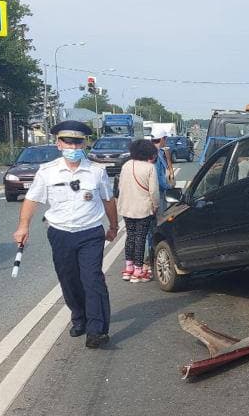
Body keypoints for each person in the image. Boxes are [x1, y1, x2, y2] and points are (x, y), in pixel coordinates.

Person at [13, 121, 118, 348]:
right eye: (68, 141)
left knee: (92, 280)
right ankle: (79, 317)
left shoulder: (97, 172)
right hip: (60, 234)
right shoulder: (47, 171)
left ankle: (96, 330)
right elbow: (32, 200)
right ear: (58, 143)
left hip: (90, 233)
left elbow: (109, 200)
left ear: (85, 143)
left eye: (77, 141)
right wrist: (23, 226)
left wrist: (113, 226)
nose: (73, 146)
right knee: (69, 280)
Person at [117, 139, 160, 282]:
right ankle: (138, 270)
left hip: (126, 207)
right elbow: (153, 191)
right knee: (140, 238)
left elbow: (120, 187)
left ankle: (128, 268)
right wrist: (156, 205)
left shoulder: (126, 165)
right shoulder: (150, 168)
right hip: (143, 208)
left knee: (130, 236)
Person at [144, 130, 174, 275]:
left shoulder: (159, 153)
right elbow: (157, 179)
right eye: (165, 139)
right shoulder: (153, 155)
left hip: (156, 194)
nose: (166, 141)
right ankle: (149, 259)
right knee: (155, 226)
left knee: (153, 227)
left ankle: (150, 257)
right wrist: (169, 187)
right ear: (162, 139)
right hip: (156, 195)